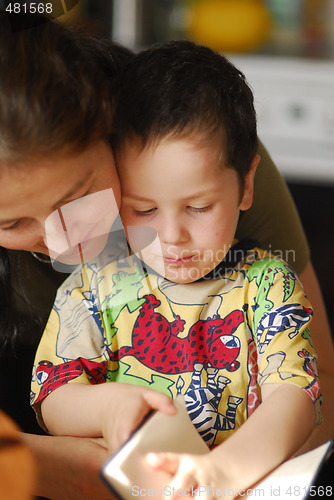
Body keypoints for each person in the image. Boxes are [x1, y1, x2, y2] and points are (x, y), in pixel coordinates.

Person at [0, 11, 333, 500]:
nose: (61, 243)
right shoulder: (92, 289)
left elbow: (307, 388)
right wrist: (61, 453)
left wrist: (228, 474)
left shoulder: (197, 151)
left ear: (114, 139)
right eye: (11, 222)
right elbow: (55, 392)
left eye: (77, 198)